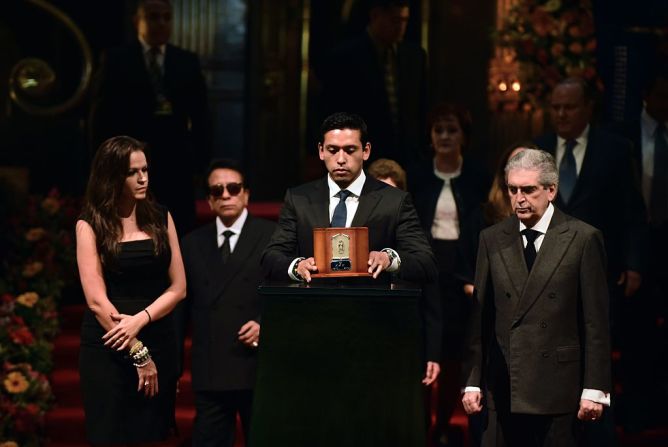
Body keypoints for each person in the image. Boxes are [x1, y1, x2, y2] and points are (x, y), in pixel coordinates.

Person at [261, 111, 440, 386]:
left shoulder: (394, 201)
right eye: (333, 150)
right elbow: (271, 256)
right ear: (321, 151)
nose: (341, 159)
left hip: (375, 333)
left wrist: (389, 258)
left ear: (366, 151)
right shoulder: (299, 198)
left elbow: (425, 262)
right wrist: (296, 266)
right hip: (314, 333)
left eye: (350, 150)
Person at [461, 149, 612, 447]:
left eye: (529, 190)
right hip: (503, 384)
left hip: (559, 386)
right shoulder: (491, 238)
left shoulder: (583, 238)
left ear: (551, 190)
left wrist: (594, 388)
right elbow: (480, 318)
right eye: (513, 189)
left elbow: (596, 321)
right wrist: (471, 380)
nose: (519, 198)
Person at [76, 135, 186, 444]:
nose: (143, 178)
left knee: (151, 434)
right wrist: (136, 349)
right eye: (132, 172)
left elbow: (178, 287)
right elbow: (97, 301)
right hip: (109, 345)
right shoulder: (90, 224)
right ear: (112, 176)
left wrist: (141, 320)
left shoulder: (160, 216)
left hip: (158, 336)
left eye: (146, 169)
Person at [407, 103, 491, 446]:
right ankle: (421, 423)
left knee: (455, 351)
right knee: (425, 348)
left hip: (461, 269)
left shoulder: (477, 176)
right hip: (424, 268)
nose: (444, 136)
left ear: (464, 137)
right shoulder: (417, 174)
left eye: (451, 130)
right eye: (438, 130)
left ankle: (443, 423)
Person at [89, 0, 211, 234]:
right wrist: (102, 164)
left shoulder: (186, 61)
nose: (161, 24)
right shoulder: (116, 59)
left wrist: (200, 163)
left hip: (177, 161)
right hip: (128, 162)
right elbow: (100, 117)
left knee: (179, 228)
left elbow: (202, 117)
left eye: (166, 18)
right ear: (137, 21)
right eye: (153, 17)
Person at [180, 159, 276, 446]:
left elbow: (289, 294)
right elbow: (181, 309)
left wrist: (265, 324)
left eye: (233, 188)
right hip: (211, 369)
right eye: (217, 190)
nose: (225, 195)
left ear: (246, 193)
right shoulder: (191, 244)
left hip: (258, 365)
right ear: (209, 200)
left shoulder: (273, 237)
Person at [614, 67, 668, 432]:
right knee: (635, 331)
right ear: (647, 95)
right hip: (638, 242)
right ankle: (633, 411)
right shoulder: (623, 137)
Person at [320, 0, 427, 165]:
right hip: (362, 157)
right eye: (395, 20)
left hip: (407, 159)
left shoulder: (415, 57)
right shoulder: (345, 58)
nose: (400, 27)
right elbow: (333, 112)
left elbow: (420, 109)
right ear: (376, 16)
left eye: (404, 20)